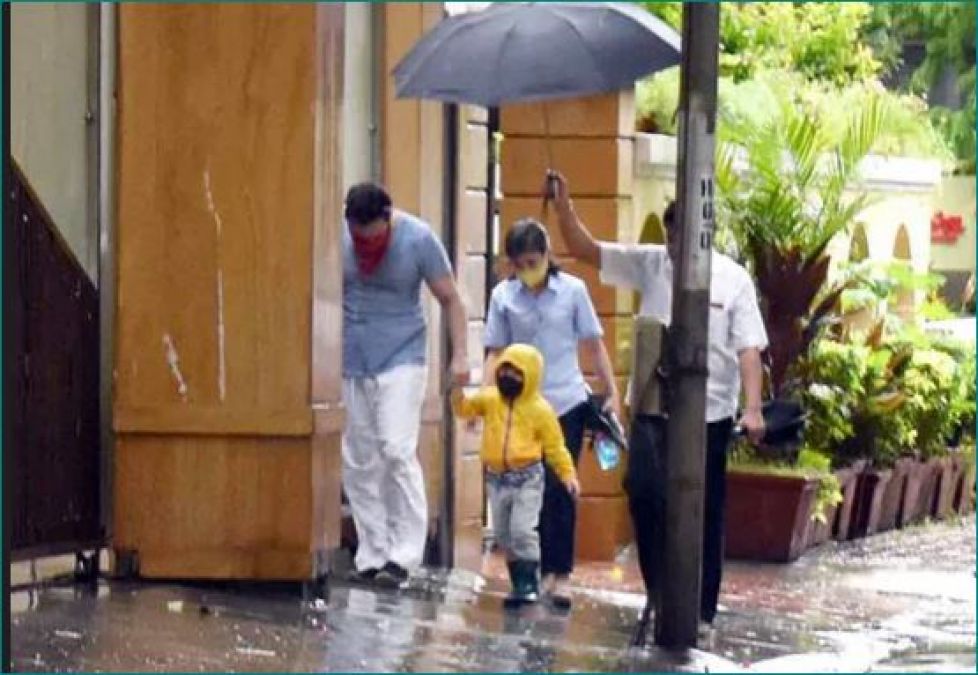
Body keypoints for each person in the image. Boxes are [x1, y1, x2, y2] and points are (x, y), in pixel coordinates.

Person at [550, 171, 767, 629]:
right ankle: (658, 589)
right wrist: (565, 205)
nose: (674, 248)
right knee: (645, 491)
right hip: (652, 406)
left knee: (703, 509)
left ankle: (701, 610)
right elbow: (588, 250)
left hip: (709, 412)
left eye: (683, 239)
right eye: (670, 239)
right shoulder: (650, 264)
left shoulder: (733, 280)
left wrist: (752, 408)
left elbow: (749, 348)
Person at [483, 218, 620, 609]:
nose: (528, 268)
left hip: (565, 403)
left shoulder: (573, 292)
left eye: (534, 260)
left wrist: (610, 393)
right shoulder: (503, 298)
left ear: (547, 256)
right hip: (520, 409)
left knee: (561, 489)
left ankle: (561, 575)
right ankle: (534, 570)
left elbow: (593, 345)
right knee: (526, 491)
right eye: (520, 263)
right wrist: (485, 395)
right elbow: (495, 350)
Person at [342, 182, 469, 589]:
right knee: (359, 458)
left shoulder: (418, 238)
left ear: (388, 218)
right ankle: (372, 551)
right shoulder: (338, 238)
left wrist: (460, 355)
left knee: (395, 448)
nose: (366, 245)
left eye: (375, 236)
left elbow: (451, 298)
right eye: (359, 237)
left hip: (402, 356)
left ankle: (404, 554)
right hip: (351, 356)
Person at [452, 343, 580, 607]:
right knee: (503, 535)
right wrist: (456, 388)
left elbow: (555, 446)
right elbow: (465, 408)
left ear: (531, 376)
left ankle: (529, 582)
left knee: (523, 530)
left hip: (528, 478)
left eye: (517, 373)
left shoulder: (541, 410)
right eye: (505, 370)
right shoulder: (490, 399)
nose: (508, 378)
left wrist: (567, 474)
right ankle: (518, 583)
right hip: (496, 478)